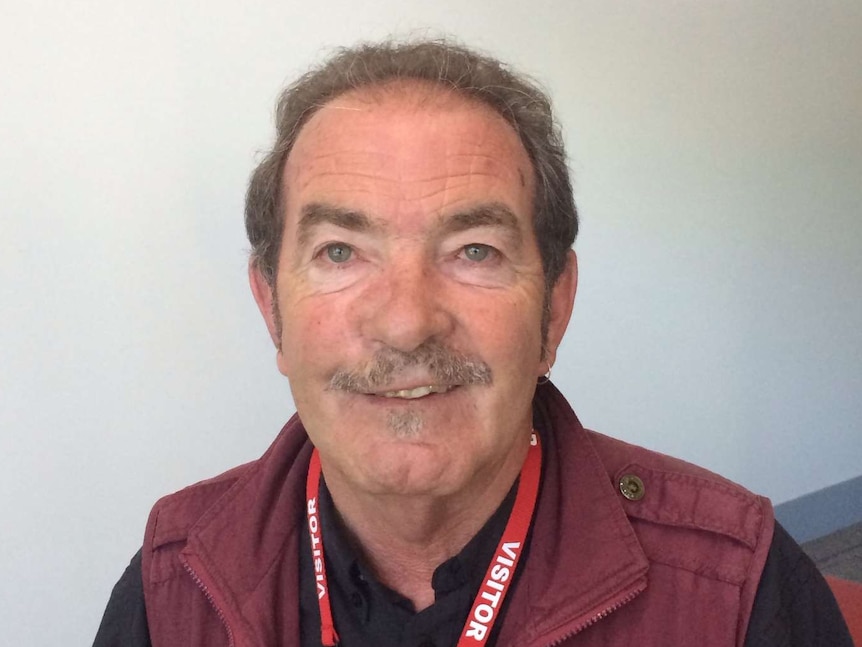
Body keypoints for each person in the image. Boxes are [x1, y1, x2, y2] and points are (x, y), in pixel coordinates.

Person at [94, 39, 852, 647]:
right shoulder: (173, 587)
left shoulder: (737, 586)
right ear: (272, 311)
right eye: (339, 252)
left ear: (554, 308)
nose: (406, 321)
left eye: (475, 251)